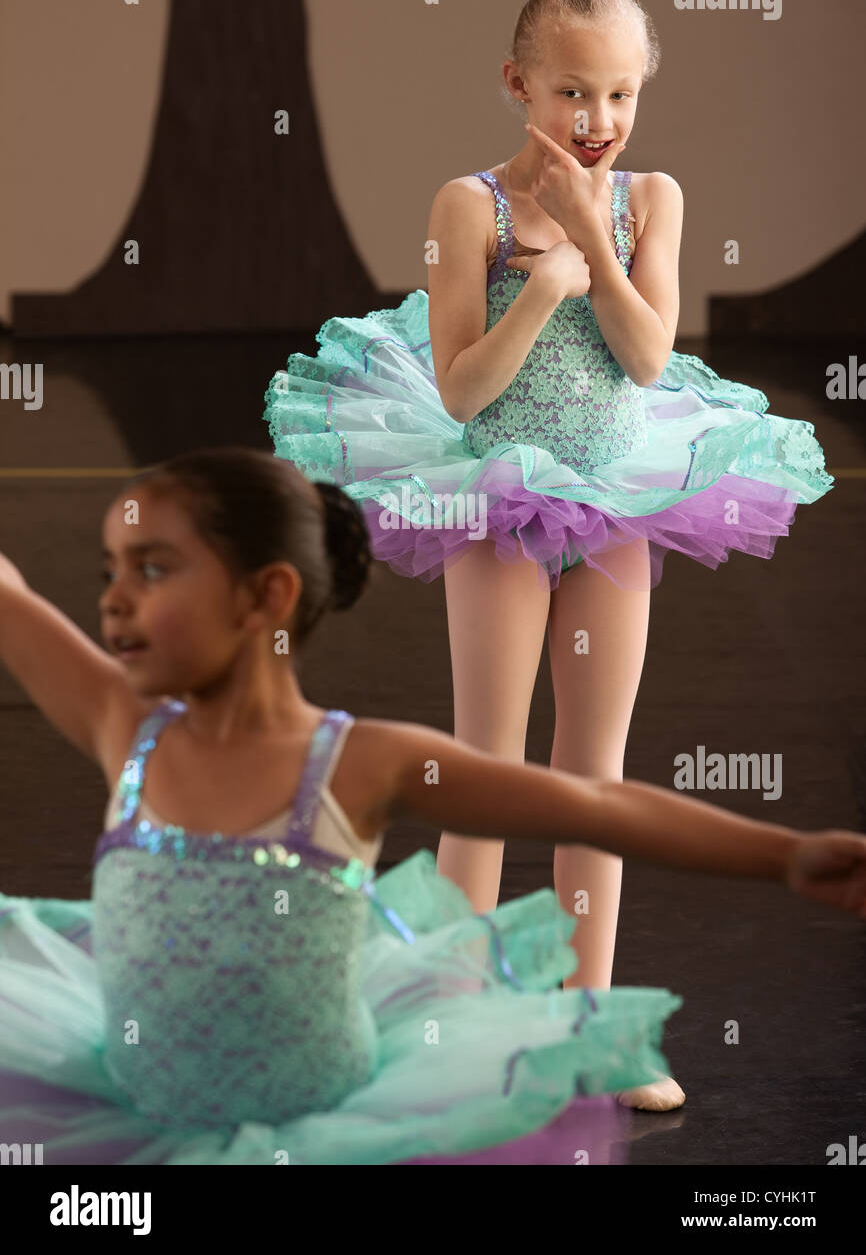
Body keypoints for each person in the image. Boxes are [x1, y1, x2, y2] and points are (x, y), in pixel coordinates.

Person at [262, 0, 833, 1110]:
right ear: (516, 82)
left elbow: (647, 357)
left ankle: (591, 1030)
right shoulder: (463, 207)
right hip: (499, 502)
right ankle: (447, 1029)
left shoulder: (651, 197)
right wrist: (539, 288)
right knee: (490, 770)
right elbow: (465, 391)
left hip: (619, 497)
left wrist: (593, 243)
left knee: (592, 779)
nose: (598, 122)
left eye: (619, 96)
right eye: (572, 93)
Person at [0, 448, 861, 1166]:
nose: (112, 599)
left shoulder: (365, 764)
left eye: (151, 570)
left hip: (332, 1130)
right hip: (138, 1112)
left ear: (269, 596)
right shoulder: (123, 726)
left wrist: (780, 855)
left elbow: (599, 805)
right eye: (109, 570)